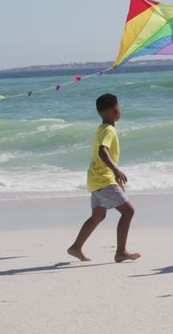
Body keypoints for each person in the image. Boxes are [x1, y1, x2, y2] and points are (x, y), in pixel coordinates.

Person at [67, 93, 141, 262]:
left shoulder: (101, 128)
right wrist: (115, 171)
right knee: (128, 212)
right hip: (103, 179)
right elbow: (103, 151)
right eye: (119, 106)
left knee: (98, 216)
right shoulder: (109, 130)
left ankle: (76, 247)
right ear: (115, 111)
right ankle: (121, 251)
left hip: (95, 180)